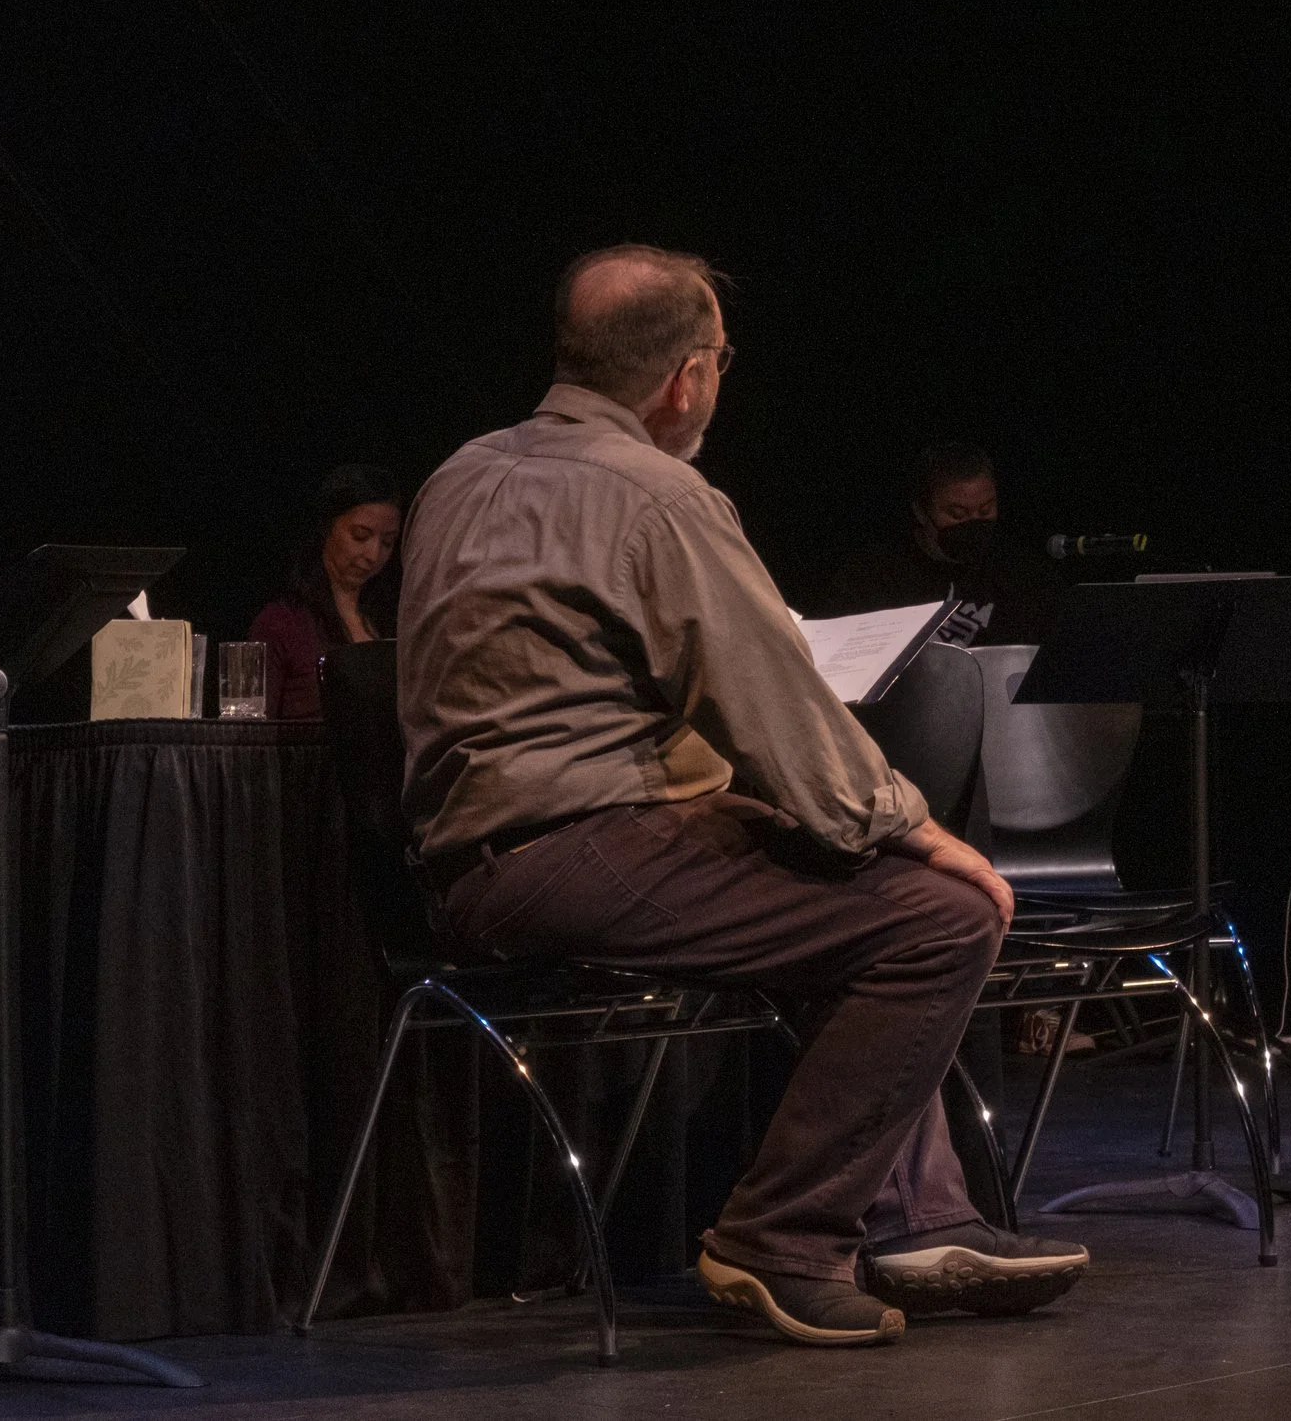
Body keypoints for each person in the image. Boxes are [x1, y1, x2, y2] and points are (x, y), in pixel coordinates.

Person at [397, 245, 1087, 1347]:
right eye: (720, 358)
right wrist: (918, 831)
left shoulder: (458, 472)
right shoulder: (658, 494)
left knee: (843, 896)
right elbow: (773, 704)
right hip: (575, 848)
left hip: (470, 863)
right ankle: (781, 1237)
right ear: (685, 377)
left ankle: (919, 1218)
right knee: (941, 916)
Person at [824, 442, 1062, 646]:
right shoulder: (872, 578)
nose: (972, 524)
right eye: (957, 515)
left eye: (985, 510)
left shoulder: (1020, 572)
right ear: (921, 511)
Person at [248, 463, 405, 719]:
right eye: (360, 536)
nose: (374, 555)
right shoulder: (281, 623)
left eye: (387, 542)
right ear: (327, 527)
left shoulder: (393, 619)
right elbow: (254, 732)